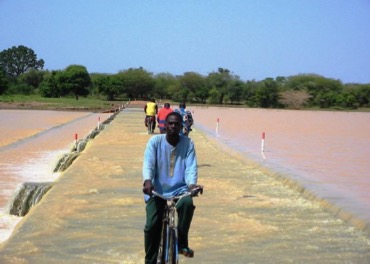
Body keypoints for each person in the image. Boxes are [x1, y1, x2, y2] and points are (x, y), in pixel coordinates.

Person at [142, 111, 202, 264]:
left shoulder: (188, 143)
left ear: (182, 126)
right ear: (165, 125)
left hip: (180, 190)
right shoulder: (155, 142)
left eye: (177, 124)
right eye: (170, 123)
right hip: (156, 190)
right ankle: (150, 260)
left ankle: (181, 244)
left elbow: (191, 167)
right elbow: (148, 163)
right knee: (151, 226)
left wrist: (192, 185)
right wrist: (148, 180)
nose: (173, 126)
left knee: (187, 204)